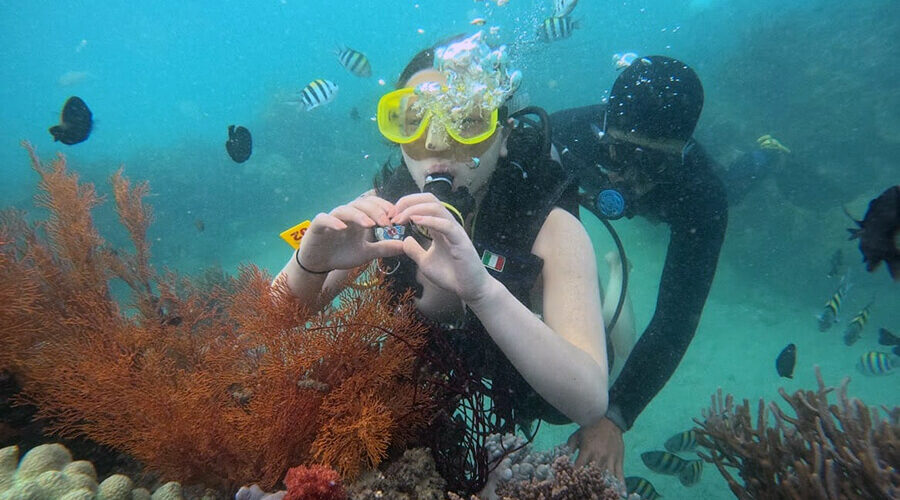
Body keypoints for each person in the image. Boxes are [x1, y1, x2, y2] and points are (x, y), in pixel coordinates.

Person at [275, 33, 609, 491]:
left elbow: (589, 400)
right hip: (432, 376)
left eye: (467, 121)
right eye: (412, 121)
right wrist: (308, 264)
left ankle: (610, 302)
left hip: (527, 376)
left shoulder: (550, 229)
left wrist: (484, 291)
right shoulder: (376, 211)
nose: (437, 143)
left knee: (594, 348)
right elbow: (269, 319)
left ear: (503, 136)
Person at [550, 55, 729, 479]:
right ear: (603, 133)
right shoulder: (565, 136)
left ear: (682, 155)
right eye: (620, 152)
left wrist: (616, 416)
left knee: (738, 185)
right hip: (577, 192)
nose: (629, 176)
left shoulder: (703, 194)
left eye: (655, 163)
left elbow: (676, 317)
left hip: (674, 204)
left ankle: (763, 158)